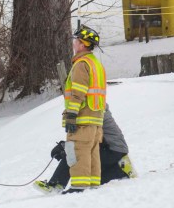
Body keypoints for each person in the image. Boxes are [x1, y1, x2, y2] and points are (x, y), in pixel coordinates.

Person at [34, 104, 133, 192]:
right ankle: (120, 170)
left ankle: (56, 184)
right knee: (93, 180)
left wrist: (64, 147)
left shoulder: (93, 111)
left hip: (112, 149)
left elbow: (84, 140)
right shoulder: (95, 107)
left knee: (74, 152)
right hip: (113, 149)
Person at [61, 22, 107, 193]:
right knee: (92, 153)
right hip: (96, 120)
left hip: (82, 118)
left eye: (76, 41)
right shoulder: (96, 64)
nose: (74, 43)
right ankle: (92, 186)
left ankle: (79, 187)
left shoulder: (81, 64)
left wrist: (71, 114)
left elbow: (77, 93)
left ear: (82, 44)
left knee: (78, 151)